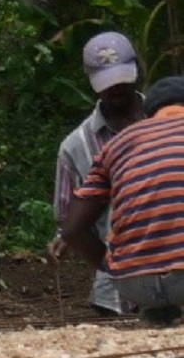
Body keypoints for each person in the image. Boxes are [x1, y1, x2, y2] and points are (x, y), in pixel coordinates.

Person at [61, 75, 184, 322]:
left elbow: (72, 230)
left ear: (149, 115)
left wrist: (115, 267)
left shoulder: (118, 143)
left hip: (134, 285)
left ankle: (158, 311)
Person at [51, 30, 145, 316]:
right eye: (107, 82)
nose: (116, 87)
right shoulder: (76, 146)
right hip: (115, 293)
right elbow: (69, 221)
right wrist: (109, 265)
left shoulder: (170, 121)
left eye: (121, 79)